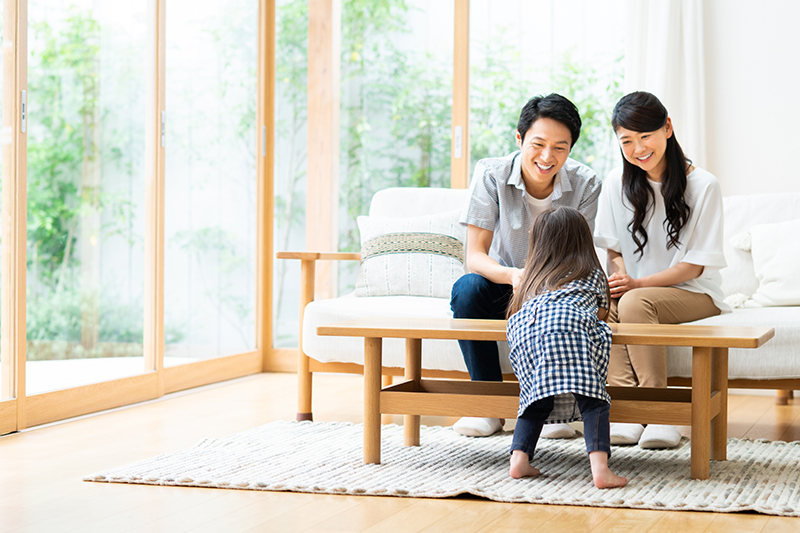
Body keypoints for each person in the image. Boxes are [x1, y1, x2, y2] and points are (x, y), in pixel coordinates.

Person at [451, 93, 602, 438]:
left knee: (573, 303)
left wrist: (546, 286)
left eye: (560, 148)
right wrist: (513, 276)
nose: (548, 157)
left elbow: (580, 257)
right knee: (467, 289)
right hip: (505, 283)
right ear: (519, 139)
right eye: (538, 144)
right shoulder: (491, 174)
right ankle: (486, 404)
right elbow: (474, 255)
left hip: (558, 287)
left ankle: (552, 407)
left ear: (570, 149)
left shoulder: (587, 183)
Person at [594, 91, 727, 449]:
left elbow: (695, 265)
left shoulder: (704, 185)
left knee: (635, 303)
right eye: (626, 140)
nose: (637, 148)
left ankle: (660, 413)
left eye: (645, 136)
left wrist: (636, 285)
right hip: (641, 290)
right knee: (603, 304)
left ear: (667, 128)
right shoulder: (614, 184)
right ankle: (624, 411)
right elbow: (614, 249)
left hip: (696, 293)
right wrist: (620, 281)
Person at [505, 206, 625, 488]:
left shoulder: (531, 278)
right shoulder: (592, 273)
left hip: (525, 330)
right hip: (568, 326)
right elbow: (601, 314)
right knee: (592, 398)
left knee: (534, 397)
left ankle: (519, 460)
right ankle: (601, 470)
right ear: (583, 240)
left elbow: (517, 309)